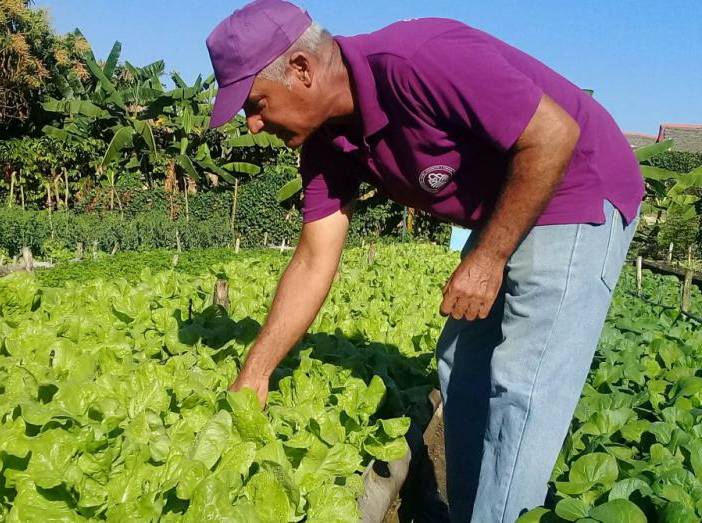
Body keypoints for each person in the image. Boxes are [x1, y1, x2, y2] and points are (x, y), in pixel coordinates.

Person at [205, 1, 644, 521]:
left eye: (256, 103)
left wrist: (488, 257)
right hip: (510, 199)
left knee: (521, 388)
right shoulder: (325, 142)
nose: (253, 124)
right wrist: (256, 372)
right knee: (459, 365)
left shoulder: (420, 60)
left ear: (300, 69)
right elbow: (313, 257)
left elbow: (554, 135)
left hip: (574, 184)